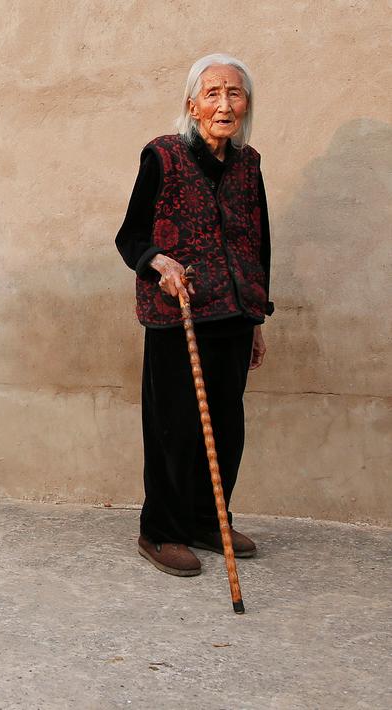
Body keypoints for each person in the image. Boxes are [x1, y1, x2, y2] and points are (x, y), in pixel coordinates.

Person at [115, 53, 274, 577]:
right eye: (212, 93)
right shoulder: (162, 156)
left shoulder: (249, 165)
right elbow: (130, 235)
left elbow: (258, 243)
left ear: (246, 104)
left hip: (235, 313)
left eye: (234, 93)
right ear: (192, 105)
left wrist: (257, 318)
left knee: (226, 426)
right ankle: (160, 531)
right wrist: (157, 261)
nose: (224, 104)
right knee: (175, 427)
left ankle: (209, 521)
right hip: (176, 313)